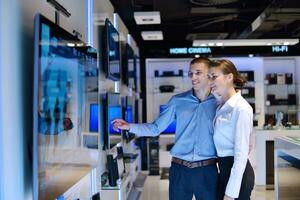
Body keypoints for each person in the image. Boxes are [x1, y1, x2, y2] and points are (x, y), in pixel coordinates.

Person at [113, 57, 218, 200]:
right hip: (180, 170)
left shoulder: (219, 102)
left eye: (198, 73)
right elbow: (155, 128)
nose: (193, 77)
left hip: (207, 170)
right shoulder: (177, 101)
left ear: (209, 74)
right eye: (190, 73)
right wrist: (128, 126)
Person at [208, 59, 255, 200]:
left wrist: (230, 194)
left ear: (229, 77)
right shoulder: (221, 104)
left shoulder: (241, 108)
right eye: (209, 77)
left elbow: (241, 155)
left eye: (214, 77)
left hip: (237, 173)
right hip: (223, 169)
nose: (210, 81)